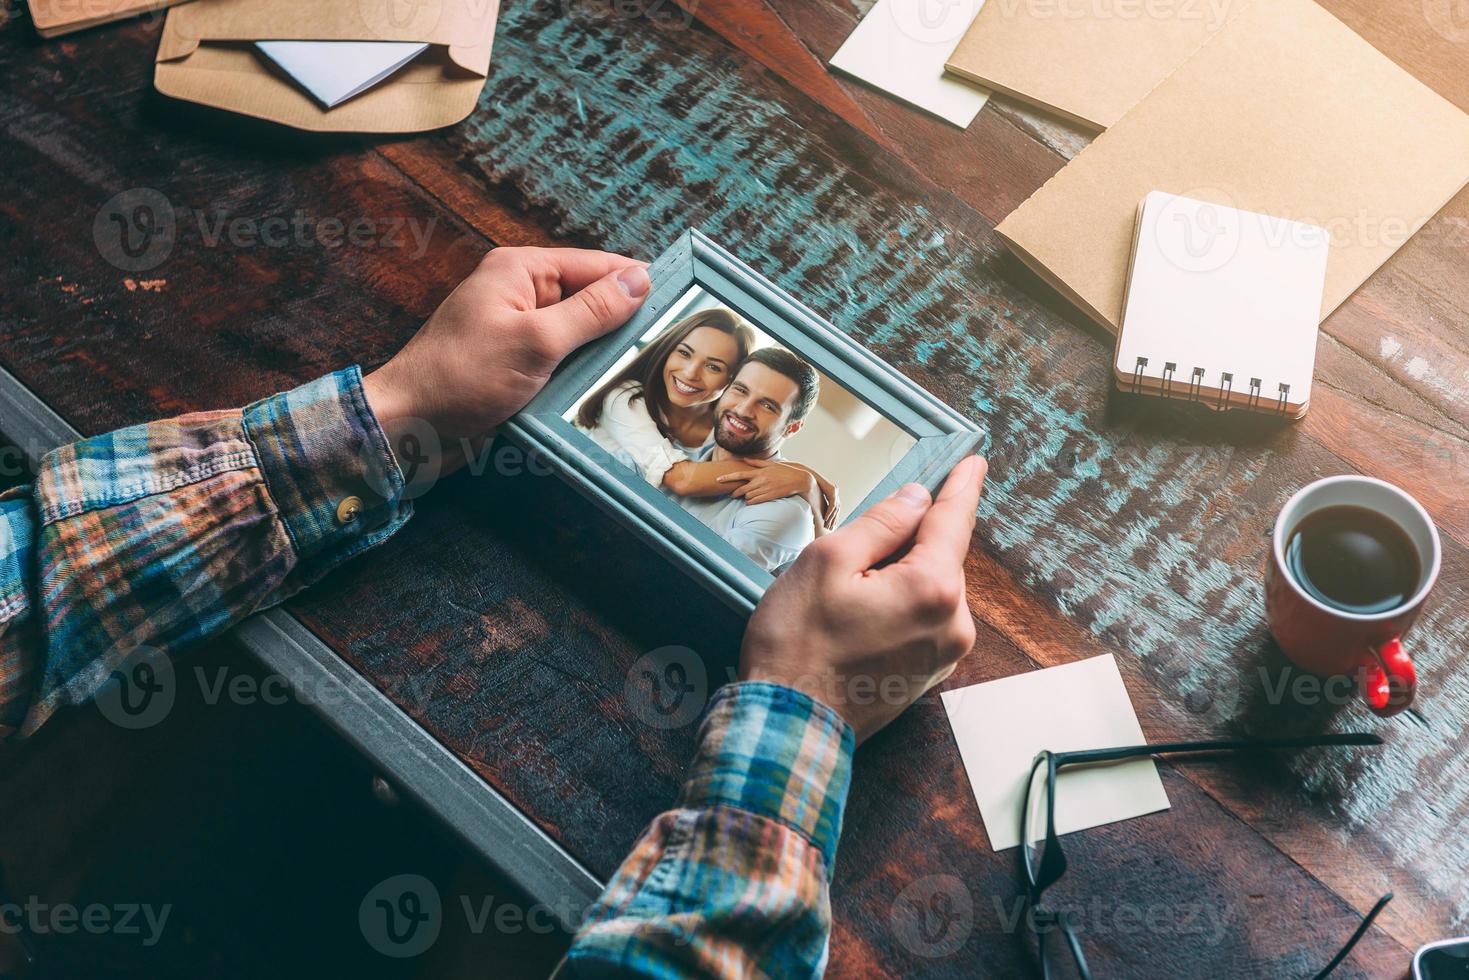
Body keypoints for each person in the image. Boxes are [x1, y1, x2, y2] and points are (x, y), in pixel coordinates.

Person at [0, 246, 986, 977]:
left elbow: (22, 593)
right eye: (713, 373)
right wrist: (801, 706)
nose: (720, 395)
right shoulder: (653, 435)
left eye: (755, 398)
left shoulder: (784, 489)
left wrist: (390, 416)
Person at [575, 308, 842, 537]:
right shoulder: (627, 400)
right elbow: (682, 479)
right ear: (669, 349)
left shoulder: (725, 426)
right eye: (684, 353)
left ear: (729, 380)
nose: (690, 373)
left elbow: (813, 537)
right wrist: (801, 479)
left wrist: (804, 485)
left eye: (713, 367)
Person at [666, 346, 822, 572]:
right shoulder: (675, 451)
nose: (743, 410)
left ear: (792, 427)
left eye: (767, 405)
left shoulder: (786, 513)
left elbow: (692, 581)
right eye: (740, 390)